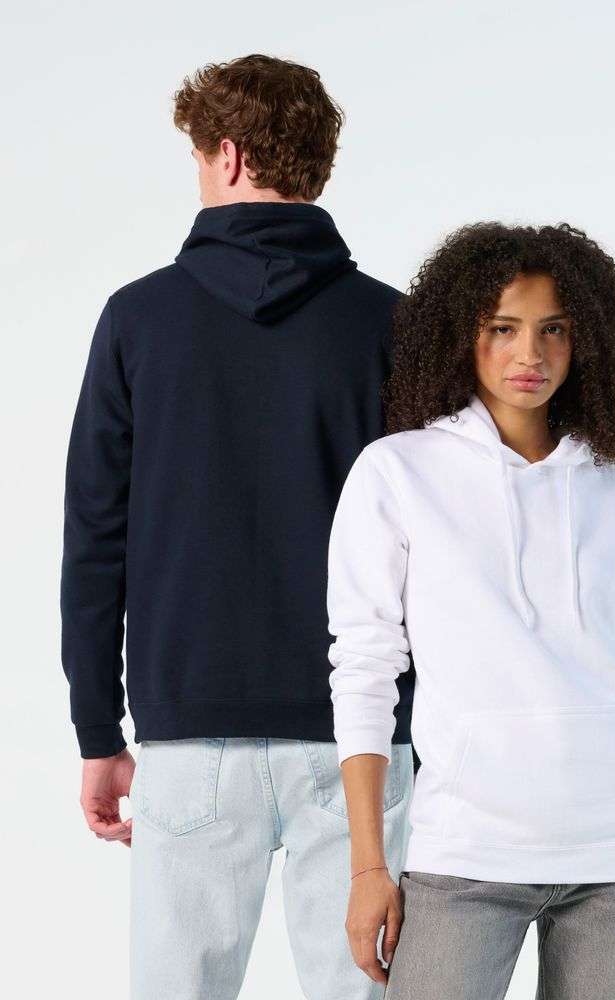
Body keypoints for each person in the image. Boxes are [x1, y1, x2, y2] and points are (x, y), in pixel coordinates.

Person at [60, 53, 415, 1000]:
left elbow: (94, 537)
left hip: (190, 731)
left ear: (227, 154)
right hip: (360, 737)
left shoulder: (138, 320)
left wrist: (98, 729)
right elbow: (438, 548)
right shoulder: (392, 325)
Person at [326, 222, 615, 998]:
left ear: (586, 340)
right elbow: (363, 671)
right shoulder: (398, 474)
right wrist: (368, 867)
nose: (531, 354)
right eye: (503, 328)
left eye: (554, 329)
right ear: (462, 335)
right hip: (467, 851)